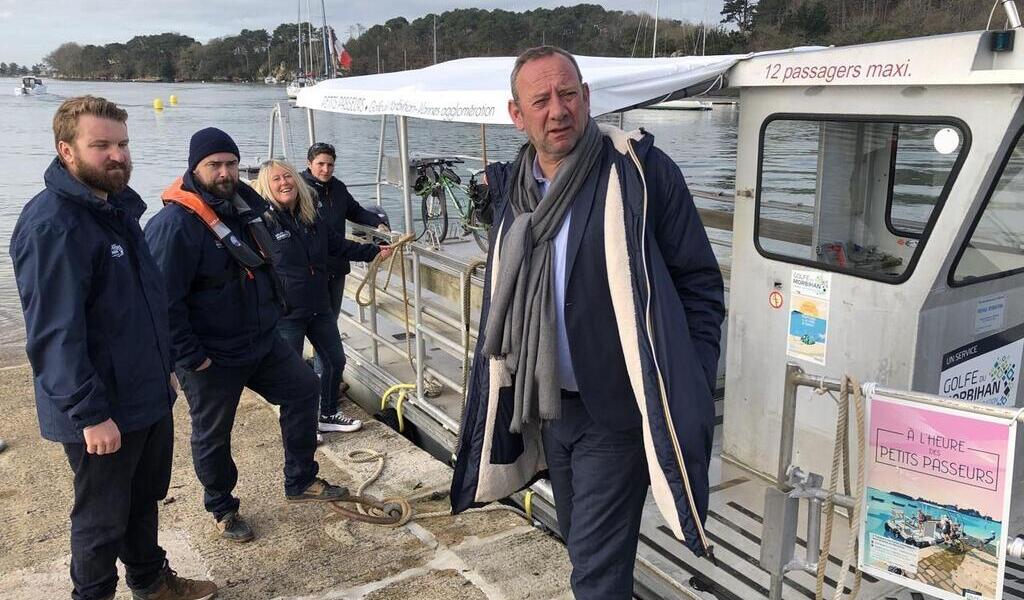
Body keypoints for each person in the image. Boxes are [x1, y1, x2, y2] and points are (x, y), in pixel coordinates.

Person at [450, 47, 725, 598]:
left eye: (569, 94)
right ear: (517, 114)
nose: (559, 110)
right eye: (542, 100)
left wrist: (687, 375)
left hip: (617, 410)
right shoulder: (515, 189)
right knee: (582, 544)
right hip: (549, 407)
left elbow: (700, 284)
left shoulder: (640, 173)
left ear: (587, 98)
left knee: (594, 572)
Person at [10, 96, 216, 600]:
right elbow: (55, 334)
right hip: (102, 409)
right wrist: (89, 413)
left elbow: (142, 303)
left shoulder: (116, 208)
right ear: (66, 150)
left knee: (143, 500)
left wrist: (164, 367)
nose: (117, 155)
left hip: (145, 393)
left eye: (122, 144)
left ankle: (150, 581)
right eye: (100, 145)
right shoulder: (54, 224)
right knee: (101, 519)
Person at [144, 128, 349, 545]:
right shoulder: (174, 226)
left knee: (303, 390)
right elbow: (161, 302)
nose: (224, 172)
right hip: (210, 355)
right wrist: (191, 357)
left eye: (231, 164)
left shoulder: (244, 208)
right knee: (213, 433)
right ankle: (221, 506)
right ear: (194, 168)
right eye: (214, 165)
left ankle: (301, 479)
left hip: (260, 339)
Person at [251, 159, 391, 434]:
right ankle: (299, 426)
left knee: (334, 360)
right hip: (286, 312)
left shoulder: (310, 216)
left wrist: (374, 251)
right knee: (290, 373)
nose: (284, 183)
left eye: (288, 177)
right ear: (267, 186)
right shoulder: (261, 223)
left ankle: (327, 412)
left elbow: (337, 245)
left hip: (318, 304)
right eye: (277, 179)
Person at [301, 143, 389, 396]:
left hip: (336, 269)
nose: (326, 169)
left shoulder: (338, 188)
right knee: (318, 326)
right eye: (320, 164)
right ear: (310, 164)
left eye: (330, 164)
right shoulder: (300, 190)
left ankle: (326, 378)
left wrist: (378, 223)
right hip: (312, 271)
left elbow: (355, 211)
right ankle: (319, 381)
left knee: (330, 323)